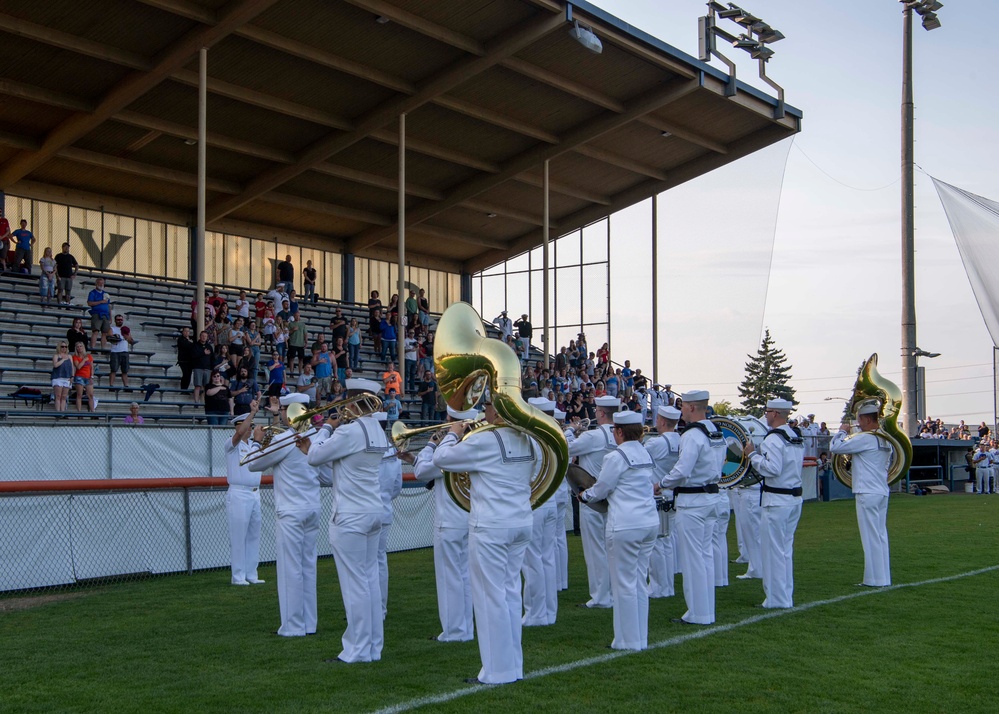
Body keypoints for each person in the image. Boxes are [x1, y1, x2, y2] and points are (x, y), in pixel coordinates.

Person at [432, 391, 537, 686]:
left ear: (498, 409)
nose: (483, 411)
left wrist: (453, 434)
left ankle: (496, 671)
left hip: (492, 525)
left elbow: (442, 459)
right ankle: (513, 665)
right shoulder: (527, 438)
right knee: (510, 594)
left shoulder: (485, 439)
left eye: (487, 406)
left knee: (490, 597)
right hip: (520, 522)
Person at [307, 379, 387, 663]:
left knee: (355, 585)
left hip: (351, 515)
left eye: (345, 402)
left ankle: (355, 650)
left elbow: (315, 456)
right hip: (373, 510)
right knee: (369, 582)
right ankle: (373, 648)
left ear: (352, 402)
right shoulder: (378, 430)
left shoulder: (350, 431)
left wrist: (326, 428)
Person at [247, 393, 326, 637]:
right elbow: (325, 475)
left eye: (281, 409)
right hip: (312, 507)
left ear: (289, 411)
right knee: (308, 567)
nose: (279, 414)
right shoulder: (317, 438)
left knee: (290, 568)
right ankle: (309, 623)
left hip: (291, 510)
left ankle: (292, 626)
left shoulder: (288, 439)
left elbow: (251, 463)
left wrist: (257, 441)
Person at [579, 410, 658, 650]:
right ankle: (638, 638)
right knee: (637, 582)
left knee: (623, 583)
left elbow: (602, 488)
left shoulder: (616, 457)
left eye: (615, 430)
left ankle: (628, 641)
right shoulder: (644, 452)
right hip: (648, 522)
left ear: (620, 431)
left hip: (625, 524)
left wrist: (584, 495)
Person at [658, 390, 726, 626]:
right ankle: (705, 610)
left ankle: (698, 613)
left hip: (693, 501)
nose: (681, 410)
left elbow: (682, 470)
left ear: (693, 408)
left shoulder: (692, 435)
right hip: (711, 497)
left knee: (693, 559)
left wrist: (662, 483)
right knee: (705, 557)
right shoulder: (716, 432)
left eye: (684, 406)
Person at [411, 406, 477, 641]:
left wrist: (430, 444)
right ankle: (465, 628)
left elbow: (422, 471)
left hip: (449, 520)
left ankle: (453, 631)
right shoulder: (473, 445)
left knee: (449, 578)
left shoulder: (448, 450)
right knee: (464, 577)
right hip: (468, 517)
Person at [744, 398, 804, 608]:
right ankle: (784, 595)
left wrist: (752, 455)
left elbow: (773, 469)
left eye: (768, 411)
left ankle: (776, 599)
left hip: (777, 499)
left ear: (776, 413)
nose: (766, 415)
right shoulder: (795, 436)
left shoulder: (773, 439)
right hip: (794, 498)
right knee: (785, 550)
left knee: (773, 551)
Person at [830, 402, 892, 587]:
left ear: (866, 419)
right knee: (880, 536)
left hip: (867, 490)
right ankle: (882, 578)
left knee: (870, 537)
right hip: (880, 490)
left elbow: (835, 447)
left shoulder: (866, 438)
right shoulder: (886, 439)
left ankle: (874, 580)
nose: (857, 422)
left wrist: (842, 431)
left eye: (859, 419)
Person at [567, 395, 620, 609]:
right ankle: (614, 593)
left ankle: (600, 596)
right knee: (612, 549)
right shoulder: (621, 435)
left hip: (592, 498)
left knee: (595, 549)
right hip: (614, 497)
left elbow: (566, 448)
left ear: (599, 413)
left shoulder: (593, 436)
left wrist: (571, 430)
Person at [521, 398, 559, 628]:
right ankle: (548, 611)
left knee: (532, 560)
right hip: (551, 501)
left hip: (535, 501)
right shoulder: (555, 436)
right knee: (547, 558)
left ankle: (536, 613)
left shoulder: (531, 437)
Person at [225, 404, 265, 586]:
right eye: (248, 424)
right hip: (239, 493)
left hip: (255, 493)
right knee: (239, 537)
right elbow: (240, 433)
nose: (251, 427)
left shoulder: (254, 445)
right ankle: (238, 576)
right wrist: (253, 412)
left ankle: (251, 574)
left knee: (253, 536)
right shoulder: (231, 445)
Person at [645, 405, 682, 599]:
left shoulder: (656, 444)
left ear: (662, 421)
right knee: (667, 543)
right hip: (674, 494)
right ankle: (667, 585)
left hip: (658, 495)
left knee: (657, 545)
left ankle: (659, 587)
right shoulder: (682, 440)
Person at [371, 411, 403, 619]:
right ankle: (380, 608)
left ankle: (370, 607)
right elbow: (397, 487)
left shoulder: (368, 449)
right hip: (385, 509)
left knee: (366, 563)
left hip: (368, 509)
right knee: (380, 561)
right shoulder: (392, 451)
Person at [107, 314, 135, 390]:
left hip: (124, 351)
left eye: (121, 320)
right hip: (115, 351)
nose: (120, 321)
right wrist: (115, 337)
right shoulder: (112, 329)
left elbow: (131, 341)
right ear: (115, 320)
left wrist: (127, 337)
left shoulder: (126, 329)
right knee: (113, 369)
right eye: (118, 320)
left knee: (125, 370)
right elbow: (109, 337)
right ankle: (111, 385)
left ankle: (126, 386)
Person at [87, 277, 112, 349]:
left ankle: (103, 348)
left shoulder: (106, 294)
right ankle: (93, 348)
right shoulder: (92, 293)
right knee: (96, 331)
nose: (101, 285)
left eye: (102, 283)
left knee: (104, 333)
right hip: (97, 314)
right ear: (96, 284)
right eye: (100, 283)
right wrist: (101, 301)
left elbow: (108, 306)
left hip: (105, 315)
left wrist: (110, 317)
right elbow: (89, 303)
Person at [71, 341, 96, 412]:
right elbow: (78, 367)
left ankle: (93, 411)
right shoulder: (75, 357)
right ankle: (79, 411)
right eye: (78, 347)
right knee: (79, 395)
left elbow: (92, 367)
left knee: (90, 395)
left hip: (88, 376)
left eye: (80, 346)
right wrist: (84, 360)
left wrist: (92, 376)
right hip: (79, 376)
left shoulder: (89, 356)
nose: (79, 348)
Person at [51, 341, 74, 413]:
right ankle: (58, 412)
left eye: (65, 347)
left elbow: (72, 367)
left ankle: (63, 412)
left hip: (67, 378)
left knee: (64, 396)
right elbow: (55, 365)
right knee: (58, 396)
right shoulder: (56, 356)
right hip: (58, 377)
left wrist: (72, 376)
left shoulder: (69, 356)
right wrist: (63, 359)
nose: (64, 348)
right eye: (62, 346)